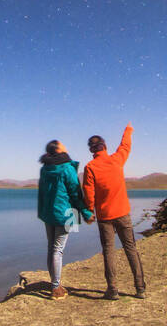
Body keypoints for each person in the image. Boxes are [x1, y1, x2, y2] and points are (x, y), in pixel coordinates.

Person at [82, 123, 145, 300]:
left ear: (91, 150)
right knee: (131, 249)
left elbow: (89, 192)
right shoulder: (116, 159)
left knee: (109, 251)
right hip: (123, 213)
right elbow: (125, 145)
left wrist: (89, 211)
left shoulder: (90, 167)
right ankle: (140, 288)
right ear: (105, 146)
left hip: (104, 217)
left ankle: (113, 289)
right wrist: (129, 130)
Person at [37, 139, 93, 300]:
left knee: (52, 248)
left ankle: (55, 283)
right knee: (58, 250)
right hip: (66, 213)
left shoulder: (45, 169)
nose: (66, 145)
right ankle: (56, 288)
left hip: (49, 214)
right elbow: (76, 193)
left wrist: (42, 212)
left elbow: (43, 193)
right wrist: (86, 213)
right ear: (58, 150)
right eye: (63, 145)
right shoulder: (67, 168)